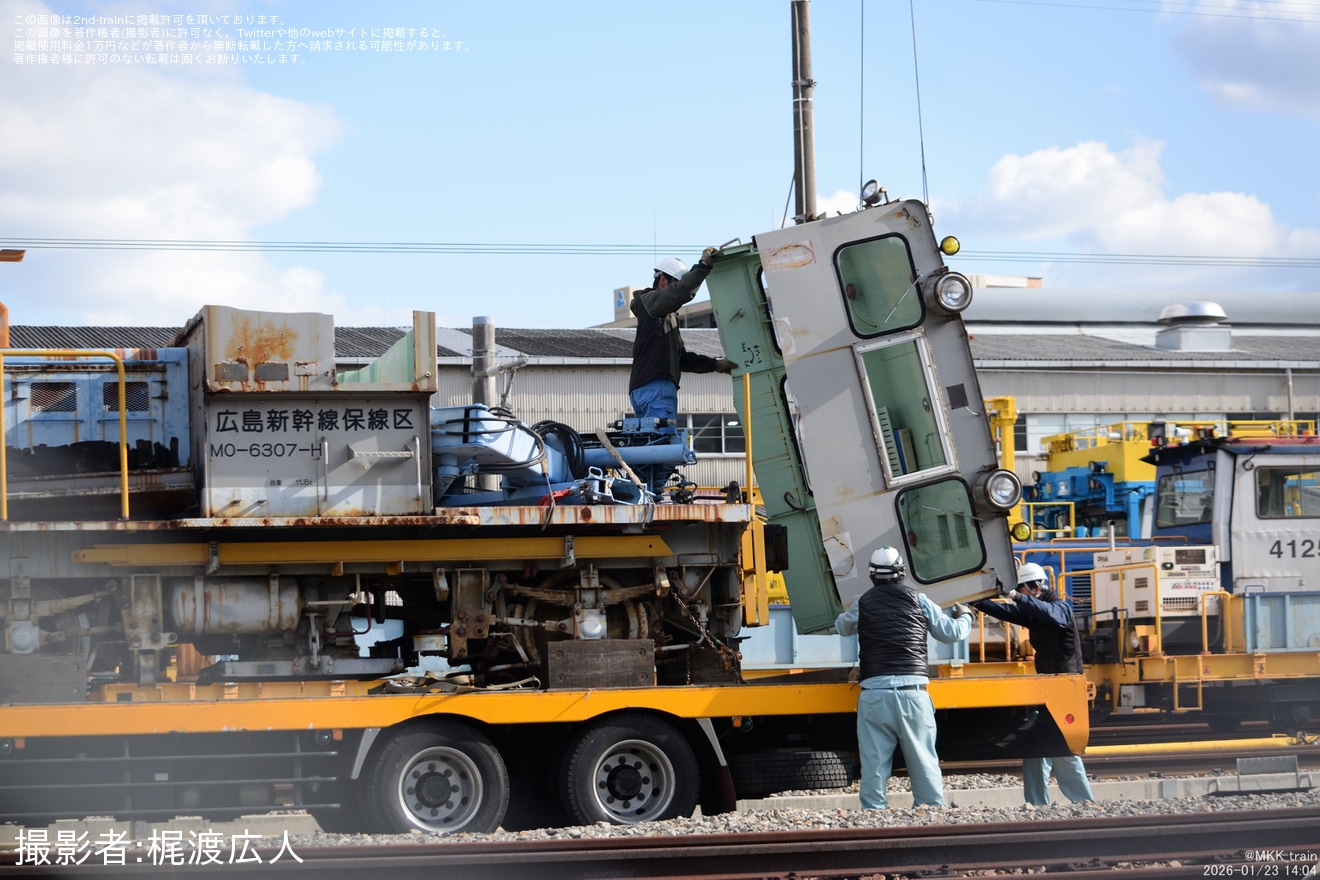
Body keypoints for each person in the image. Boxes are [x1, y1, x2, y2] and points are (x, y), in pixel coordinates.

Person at [835, 546, 975, 810]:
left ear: (872, 575)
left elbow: (842, 627)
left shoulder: (863, 603)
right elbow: (950, 632)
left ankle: (873, 813)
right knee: (923, 759)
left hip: (874, 693)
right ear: (901, 572)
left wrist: (848, 611)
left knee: (874, 762)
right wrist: (966, 615)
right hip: (913, 692)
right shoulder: (919, 600)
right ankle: (930, 810)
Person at [971, 562, 1095, 806]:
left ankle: (1083, 802)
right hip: (1048, 687)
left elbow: (1052, 615)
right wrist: (975, 601)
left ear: (1036, 587)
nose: (1019, 594)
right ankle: (1037, 803)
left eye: (1022, 590)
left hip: (1065, 686)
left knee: (1061, 746)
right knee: (1036, 746)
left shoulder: (1061, 608)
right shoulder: (1035, 610)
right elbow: (1006, 613)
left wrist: (1016, 597)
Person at [628, 248, 735, 492]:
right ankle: (647, 494)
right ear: (663, 280)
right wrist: (703, 267)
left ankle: (645, 492)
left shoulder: (663, 316)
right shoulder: (653, 302)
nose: (680, 293)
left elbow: (682, 358)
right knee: (664, 445)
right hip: (656, 387)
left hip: (649, 387)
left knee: (653, 447)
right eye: (675, 283)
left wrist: (716, 365)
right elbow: (680, 293)